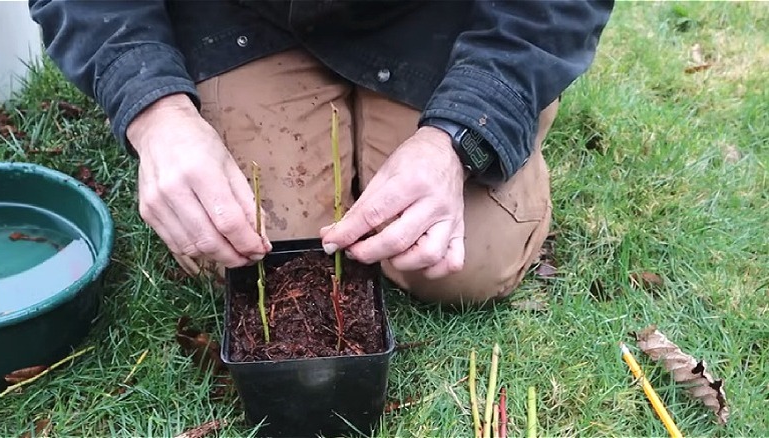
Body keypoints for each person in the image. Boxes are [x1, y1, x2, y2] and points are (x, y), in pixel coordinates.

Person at [30, 0, 613, 305]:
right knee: (248, 251)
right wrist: (155, 110)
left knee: (457, 267)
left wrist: (460, 135)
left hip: (439, 19)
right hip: (245, 16)